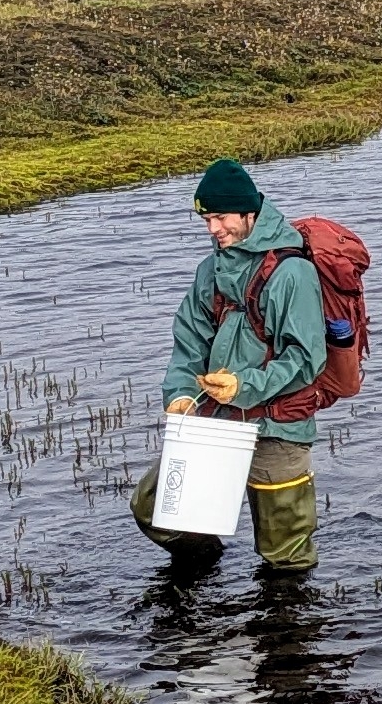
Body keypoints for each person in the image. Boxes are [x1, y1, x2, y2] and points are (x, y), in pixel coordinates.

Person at [133, 158, 326, 572]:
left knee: (285, 555)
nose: (213, 230)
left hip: (278, 426)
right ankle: (207, 568)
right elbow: (188, 343)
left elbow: (306, 359)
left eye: (220, 218)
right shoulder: (210, 271)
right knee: (154, 510)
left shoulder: (293, 274)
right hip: (216, 420)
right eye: (206, 219)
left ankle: (284, 628)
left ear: (248, 213)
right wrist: (182, 394)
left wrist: (244, 386)